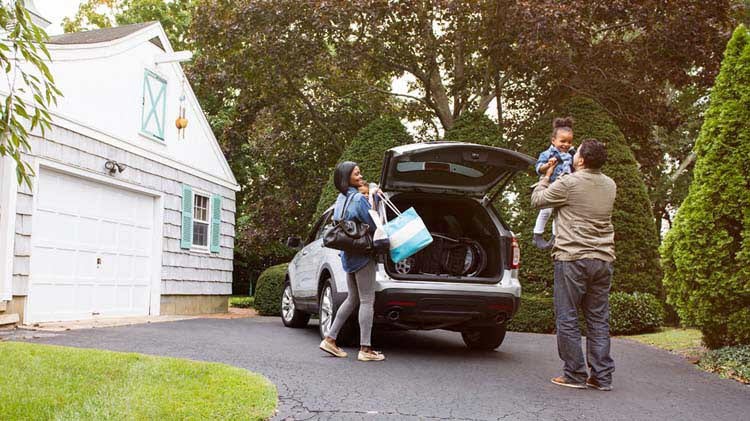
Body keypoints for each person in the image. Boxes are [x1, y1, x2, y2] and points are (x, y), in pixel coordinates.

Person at [531, 138, 616, 391]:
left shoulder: (568, 183)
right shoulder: (611, 185)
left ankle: (575, 374)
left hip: (572, 259)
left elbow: (538, 200)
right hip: (603, 259)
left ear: (580, 160)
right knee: (598, 319)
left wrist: (545, 176)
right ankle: (601, 377)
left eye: (577, 151)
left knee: (567, 317)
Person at [319, 161, 385, 362]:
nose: (360, 175)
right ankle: (366, 349)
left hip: (348, 254)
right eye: (356, 174)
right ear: (346, 177)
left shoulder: (341, 199)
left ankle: (330, 339)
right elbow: (374, 223)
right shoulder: (358, 199)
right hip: (362, 254)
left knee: (353, 299)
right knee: (367, 300)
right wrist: (375, 198)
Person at [533, 117, 576, 250]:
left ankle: (554, 237)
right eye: (562, 141)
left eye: (569, 142)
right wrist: (547, 165)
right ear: (553, 140)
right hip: (551, 184)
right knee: (546, 210)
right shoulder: (547, 153)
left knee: (559, 213)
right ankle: (537, 235)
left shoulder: (571, 154)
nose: (566, 144)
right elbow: (538, 168)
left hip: (564, 186)